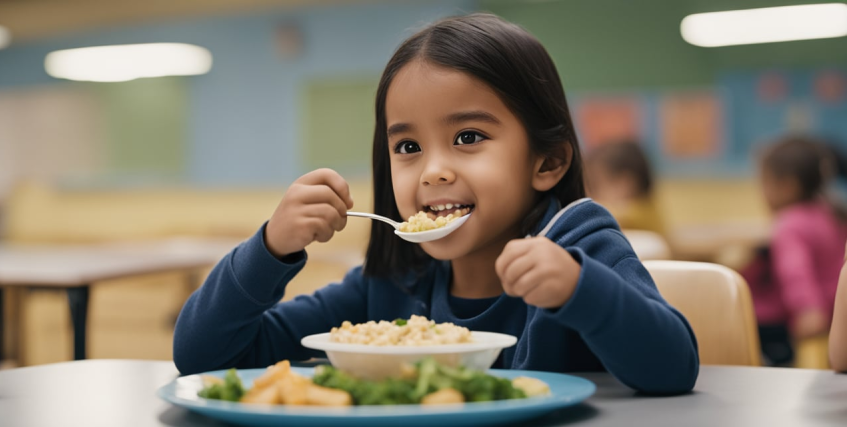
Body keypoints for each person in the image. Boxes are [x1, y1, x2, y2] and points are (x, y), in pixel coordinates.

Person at [173, 14, 698, 394]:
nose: (433, 170)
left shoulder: (579, 243)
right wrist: (269, 249)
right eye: (407, 147)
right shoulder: (393, 285)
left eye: (468, 137)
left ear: (547, 163)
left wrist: (579, 288)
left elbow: (672, 369)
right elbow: (204, 358)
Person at [740, 136, 847, 366]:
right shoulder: (830, 213)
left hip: (792, 321)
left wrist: (809, 310)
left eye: (765, 182)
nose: (762, 192)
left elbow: (796, 273)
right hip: (834, 313)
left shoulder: (789, 224)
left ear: (787, 185)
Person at [584, 140, 666, 236]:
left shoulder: (640, 212)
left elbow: (600, 212)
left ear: (625, 184)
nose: (591, 194)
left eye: (595, 186)